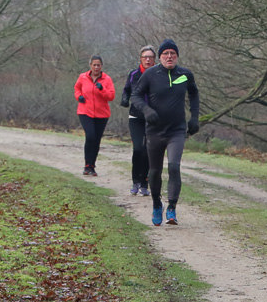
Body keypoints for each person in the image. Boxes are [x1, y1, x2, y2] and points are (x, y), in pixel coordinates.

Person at [130, 39, 200, 226]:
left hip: (176, 130)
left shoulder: (185, 74)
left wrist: (194, 117)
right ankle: (156, 204)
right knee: (154, 171)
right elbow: (135, 96)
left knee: (174, 166)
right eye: (165, 54)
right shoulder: (151, 74)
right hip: (154, 130)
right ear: (160, 57)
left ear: (177, 56)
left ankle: (172, 207)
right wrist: (146, 110)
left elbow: (194, 94)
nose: (169, 56)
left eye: (173, 54)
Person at [120, 45, 156, 196]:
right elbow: (127, 89)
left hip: (153, 118)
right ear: (140, 59)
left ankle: (144, 183)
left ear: (155, 59)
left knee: (148, 151)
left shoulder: (159, 74)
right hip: (136, 116)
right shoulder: (134, 74)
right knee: (138, 149)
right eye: (145, 57)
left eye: (150, 57)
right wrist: (124, 98)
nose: (147, 59)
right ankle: (135, 180)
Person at [74, 55, 115, 176]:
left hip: (101, 114)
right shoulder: (83, 77)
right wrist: (78, 96)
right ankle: (87, 164)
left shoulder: (107, 79)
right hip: (85, 111)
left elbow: (111, 96)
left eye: (99, 65)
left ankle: (92, 166)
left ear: (102, 66)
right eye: (94, 65)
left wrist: (102, 89)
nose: (96, 67)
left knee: (96, 140)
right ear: (90, 65)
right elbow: (77, 88)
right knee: (90, 136)